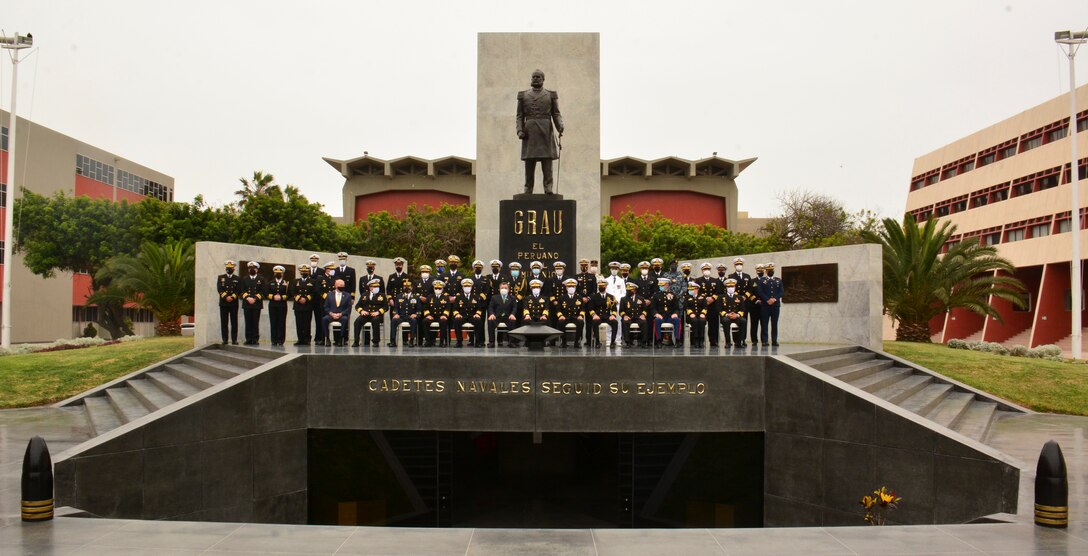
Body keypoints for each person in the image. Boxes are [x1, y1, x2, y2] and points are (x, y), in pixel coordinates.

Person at [516, 69, 564, 194]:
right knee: (529, 162)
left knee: (547, 161)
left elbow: (556, 113)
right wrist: (520, 130)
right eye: (533, 77)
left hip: (545, 130)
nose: (535, 79)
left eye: (538, 77)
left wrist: (560, 126)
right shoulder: (523, 95)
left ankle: (548, 188)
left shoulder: (550, 95)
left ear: (543, 79)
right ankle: (528, 188)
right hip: (530, 131)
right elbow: (519, 116)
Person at [352, 278, 387, 347]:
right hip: (366, 315)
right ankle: (356, 341)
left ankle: (375, 341)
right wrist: (361, 311)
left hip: (376, 315)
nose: (377, 288)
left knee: (375, 320)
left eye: (377, 287)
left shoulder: (382, 295)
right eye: (375, 287)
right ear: (370, 287)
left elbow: (386, 307)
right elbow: (357, 305)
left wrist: (378, 312)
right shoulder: (364, 295)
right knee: (357, 322)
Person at [289, 264, 317, 346]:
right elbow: (292, 291)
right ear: (300, 272)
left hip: (308, 305)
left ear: (308, 272)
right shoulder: (295, 281)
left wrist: (306, 298)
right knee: (299, 323)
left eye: (306, 271)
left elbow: (314, 292)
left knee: (307, 323)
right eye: (302, 271)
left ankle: (307, 339)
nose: (304, 273)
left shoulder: (312, 282)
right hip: (298, 305)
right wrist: (299, 298)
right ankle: (300, 339)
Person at [451, 278, 484, 348]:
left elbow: (479, 308)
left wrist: (477, 314)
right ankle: (459, 342)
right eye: (465, 286)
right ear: (462, 287)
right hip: (462, 316)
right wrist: (457, 314)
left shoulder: (476, 297)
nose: (467, 288)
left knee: (478, 321)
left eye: (468, 286)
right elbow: (454, 309)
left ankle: (477, 342)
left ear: (471, 287)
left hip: (472, 316)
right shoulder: (458, 297)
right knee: (456, 320)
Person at [586, 277, 618, 348]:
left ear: (606, 286)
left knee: (615, 322)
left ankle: (612, 342)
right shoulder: (594, 297)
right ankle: (597, 341)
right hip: (598, 316)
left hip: (607, 316)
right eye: (600, 286)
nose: (601, 287)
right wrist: (594, 315)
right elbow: (590, 308)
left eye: (603, 286)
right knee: (595, 322)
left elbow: (614, 309)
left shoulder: (611, 297)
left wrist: (613, 315)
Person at [757, 262, 784, 346]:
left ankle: (774, 340)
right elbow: (760, 292)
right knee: (764, 323)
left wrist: (774, 299)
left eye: (772, 270)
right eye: (769, 270)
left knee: (774, 323)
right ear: (766, 271)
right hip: (765, 305)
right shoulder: (762, 280)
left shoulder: (778, 280)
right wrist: (767, 299)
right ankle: (765, 340)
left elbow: (781, 291)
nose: (770, 271)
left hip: (775, 305)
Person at [240, 261, 266, 345]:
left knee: (255, 322)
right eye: (250, 268)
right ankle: (248, 339)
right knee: (248, 322)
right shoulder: (244, 279)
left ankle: (255, 339)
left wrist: (254, 298)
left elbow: (263, 291)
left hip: (256, 304)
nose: (252, 270)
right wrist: (248, 298)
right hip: (247, 303)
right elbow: (242, 290)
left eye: (254, 268)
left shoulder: (261, 279)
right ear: (248, 270)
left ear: (257, 270)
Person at [553, 277, 584, 348]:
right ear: (566, 288)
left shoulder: (579, 297)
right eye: (569, 286)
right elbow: (558, 309)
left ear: (575, 288)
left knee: (581, 322)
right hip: (565, 316)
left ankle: (577, 342)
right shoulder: (562, 298)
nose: (571, 288)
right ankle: (563, 342)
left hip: (575, 317)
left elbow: (582, 309)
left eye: (572, 286)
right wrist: (560, 316)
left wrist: (581, 316)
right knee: (560, 322)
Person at [388, 278, 419, 348]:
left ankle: (411, 341)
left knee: (414, 321)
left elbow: (419, 309)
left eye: (408, 286)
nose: (407, 288)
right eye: (405, 286)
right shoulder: (399, 296)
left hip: (411, 316)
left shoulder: (416, 297)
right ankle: (393, 341)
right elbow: (395, 307)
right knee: (393, 320)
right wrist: (395, 314)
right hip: (401, 316)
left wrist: (416, 314)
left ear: (411, 287)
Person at [216, 260, 241, 345]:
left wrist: (232, 297)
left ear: (234, 268)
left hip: (233, 303)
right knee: (224, 322)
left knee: (234, 322)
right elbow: (219, 289)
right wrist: (226, 297)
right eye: (228, 268)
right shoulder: (221, 277)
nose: (229, 269)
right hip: (224, 303)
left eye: (231, 268)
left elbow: (239, 290)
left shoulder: (237, 278)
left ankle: (234, 339)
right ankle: (225, 339)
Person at [488, 280, 519, 348]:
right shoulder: (494, 297)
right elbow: (490, 307)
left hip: (508, 317)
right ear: (499, 289)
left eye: (505, 288)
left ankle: (512, 342)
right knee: (490, 321)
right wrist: (492, 314)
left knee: (513, 321)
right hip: (497, 316)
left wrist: (512, 314)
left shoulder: (512, 298)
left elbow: (514, 307)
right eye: (502, 288)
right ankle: (491, 342)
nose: (504, 289)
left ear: (508, 289)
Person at [651, 277, 680, 347]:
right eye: (660, 285)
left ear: (667, 285)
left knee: (677, 320)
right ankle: (659, 340)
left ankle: (677, 340)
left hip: (670, 316)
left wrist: (675, 313)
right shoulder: (656, 295)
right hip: (661, 317)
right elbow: (653, 308)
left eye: (662, 285)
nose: (661, 286)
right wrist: (656, 314)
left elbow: (677, 307)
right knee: (657, 320)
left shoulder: (672, 295)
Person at [322, 279, 352, 346]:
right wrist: (331, 313)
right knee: (324, 319)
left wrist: (341, 314)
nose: (342, 286)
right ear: (335, 286)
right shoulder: (329, 295)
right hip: (331, 315)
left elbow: (349, 308)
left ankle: (341, 339)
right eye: (340, 285)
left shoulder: (347, 295)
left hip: (341, 315)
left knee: (345, 319)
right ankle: (327, 338)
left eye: (343, 285)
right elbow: (326, 307)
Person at [313, 261, 338, 346]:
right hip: (324, 303)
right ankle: (324, 338)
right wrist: (326, 296)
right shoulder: (321, 278)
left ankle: (337, 339)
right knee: (323, 321)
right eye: (330, 269)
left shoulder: (335, 279)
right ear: (326, 270)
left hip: (334, 304)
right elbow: (318, 289)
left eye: (333, 269)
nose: (332, 270)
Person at [422, 280, 450, 347]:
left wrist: (444, 315)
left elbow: (448, 308)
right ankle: (428, 341)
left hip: (441, 316)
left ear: (442, 289)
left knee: (444, 321)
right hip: (431, 316)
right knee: (425, 321)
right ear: (433, 288)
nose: (437, 289)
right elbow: (425, 308)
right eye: (436, 288)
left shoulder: (446, 297)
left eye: (439, 288)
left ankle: (441, 341)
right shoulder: (429, 297)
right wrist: (428, 315)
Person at [620, 282, 649, 347]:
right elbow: (621, 310)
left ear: (635, 290)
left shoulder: (641, 298)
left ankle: (644, 342)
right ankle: (627, 342)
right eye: (628, 290)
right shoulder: (623, 299)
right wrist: (624, 316)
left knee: (644, 322)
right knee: (625, 322)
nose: (629, 291)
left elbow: (645, 309)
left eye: (630, 290)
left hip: (638, 317)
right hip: (628, 317)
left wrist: (643, 315)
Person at [721, 277, 748, 348]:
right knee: (725, 321)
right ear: (726, 287)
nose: (731, 288)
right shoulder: (721, 297)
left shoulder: (739, 297)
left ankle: (739, 342)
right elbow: (719, 309)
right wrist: (727, 314)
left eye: (732, 286)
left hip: (736, 316)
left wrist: (737, 315)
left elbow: (742, 309)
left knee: (743, 321)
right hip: (727, 316)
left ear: (735, 287)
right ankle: (728, 342)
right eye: (729, 286)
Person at [266, 265, 290, 346]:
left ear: (283, 274)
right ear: (274, 273)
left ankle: (281, 340)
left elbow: (289, 294)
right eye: (276, 273)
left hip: (282, 305)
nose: (278, 274)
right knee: (273, 322)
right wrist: (273, 297)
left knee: (281, 322)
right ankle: (274, 340)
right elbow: (266, 293)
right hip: (272, 305)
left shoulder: (286, 283)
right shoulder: (270, 283)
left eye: (280, 273)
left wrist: (281, 297)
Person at [684, 281, 709, 348]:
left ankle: (701, 339)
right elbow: (686, 307)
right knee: (694, 320)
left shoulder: (702, 297)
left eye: (692, 289)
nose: (690, 290)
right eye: (690, 289)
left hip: (700, 315)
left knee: (702, 321)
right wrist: (691, 313)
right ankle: (696, 339)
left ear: (697, 289)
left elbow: (705, 306)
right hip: (691, 316)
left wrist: (703, 313)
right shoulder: (687, 297)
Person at [749, 264, 766, 346]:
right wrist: (756, 300)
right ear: (756, 271)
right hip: (754, 306)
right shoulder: (752, 281)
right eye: (759, 270)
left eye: (762, 270)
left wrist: (764, 300)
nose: (760, 272)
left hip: (764, 306)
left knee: (764, 324)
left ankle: (764, 340)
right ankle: (754, 340)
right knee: (754, 324)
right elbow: (749, 293)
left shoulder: (767, 281)